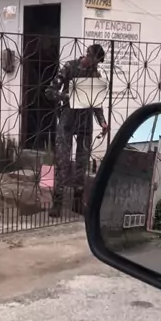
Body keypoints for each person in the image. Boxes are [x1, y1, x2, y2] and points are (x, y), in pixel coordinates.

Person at [45, 44, 108, 218]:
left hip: (85, 120)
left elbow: (96, 102)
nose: (94, 65)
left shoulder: (95, 75)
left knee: (82, 161)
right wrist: (69, 96)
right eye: (94, 60)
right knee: (63, 161)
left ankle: (78, 202)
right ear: (87, 54)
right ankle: (57, 202)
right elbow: (50, 91)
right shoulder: (70, 67)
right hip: (68, 118)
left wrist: (102, 122)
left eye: (97, 62)